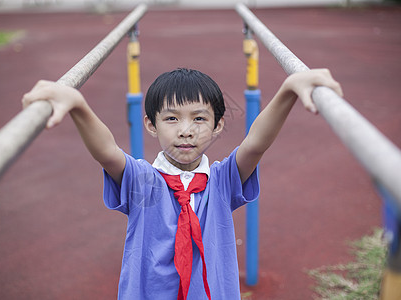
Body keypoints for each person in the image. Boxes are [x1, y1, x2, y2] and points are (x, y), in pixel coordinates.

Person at [22, 68, 343, 299]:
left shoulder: (221, 181)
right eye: (172, 118)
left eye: (199, 119)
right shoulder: (142, 181)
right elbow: (107, 152)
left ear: (218, 126)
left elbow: (255, 144)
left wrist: (288, 89)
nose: (186, 130)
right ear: (150, 124)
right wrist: (78, 105)